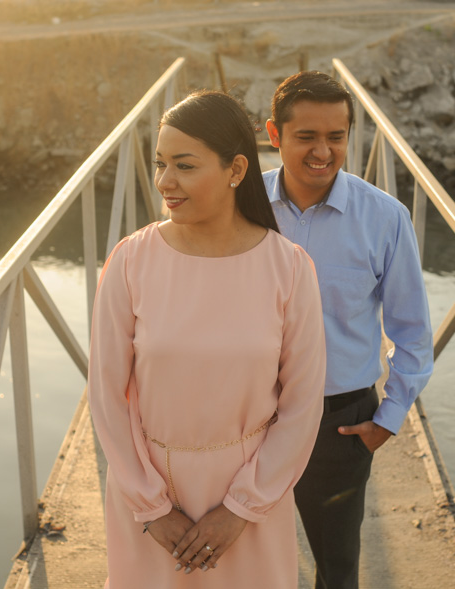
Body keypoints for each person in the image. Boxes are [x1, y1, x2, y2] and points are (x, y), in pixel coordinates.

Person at [87, 90, 326, 589]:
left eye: (185, 166)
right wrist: (151, 507)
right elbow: (107, 395)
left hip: (251, 498)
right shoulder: (130, 262)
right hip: (148, 497)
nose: (165, 183)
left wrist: (242, 507)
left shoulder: (290, 268)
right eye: (160, 164)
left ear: (236, 169)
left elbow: (302, 405)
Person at [264, 71, 434, 589]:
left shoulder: (385, 218)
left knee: (336, 570)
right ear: (274, 135)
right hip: (245, 421)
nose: (323, 151)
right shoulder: (239, 206)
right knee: (240, 563)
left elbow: (413, 333)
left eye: (335, 137)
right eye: (306, 137)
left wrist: (388, 418)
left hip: (337, 425)